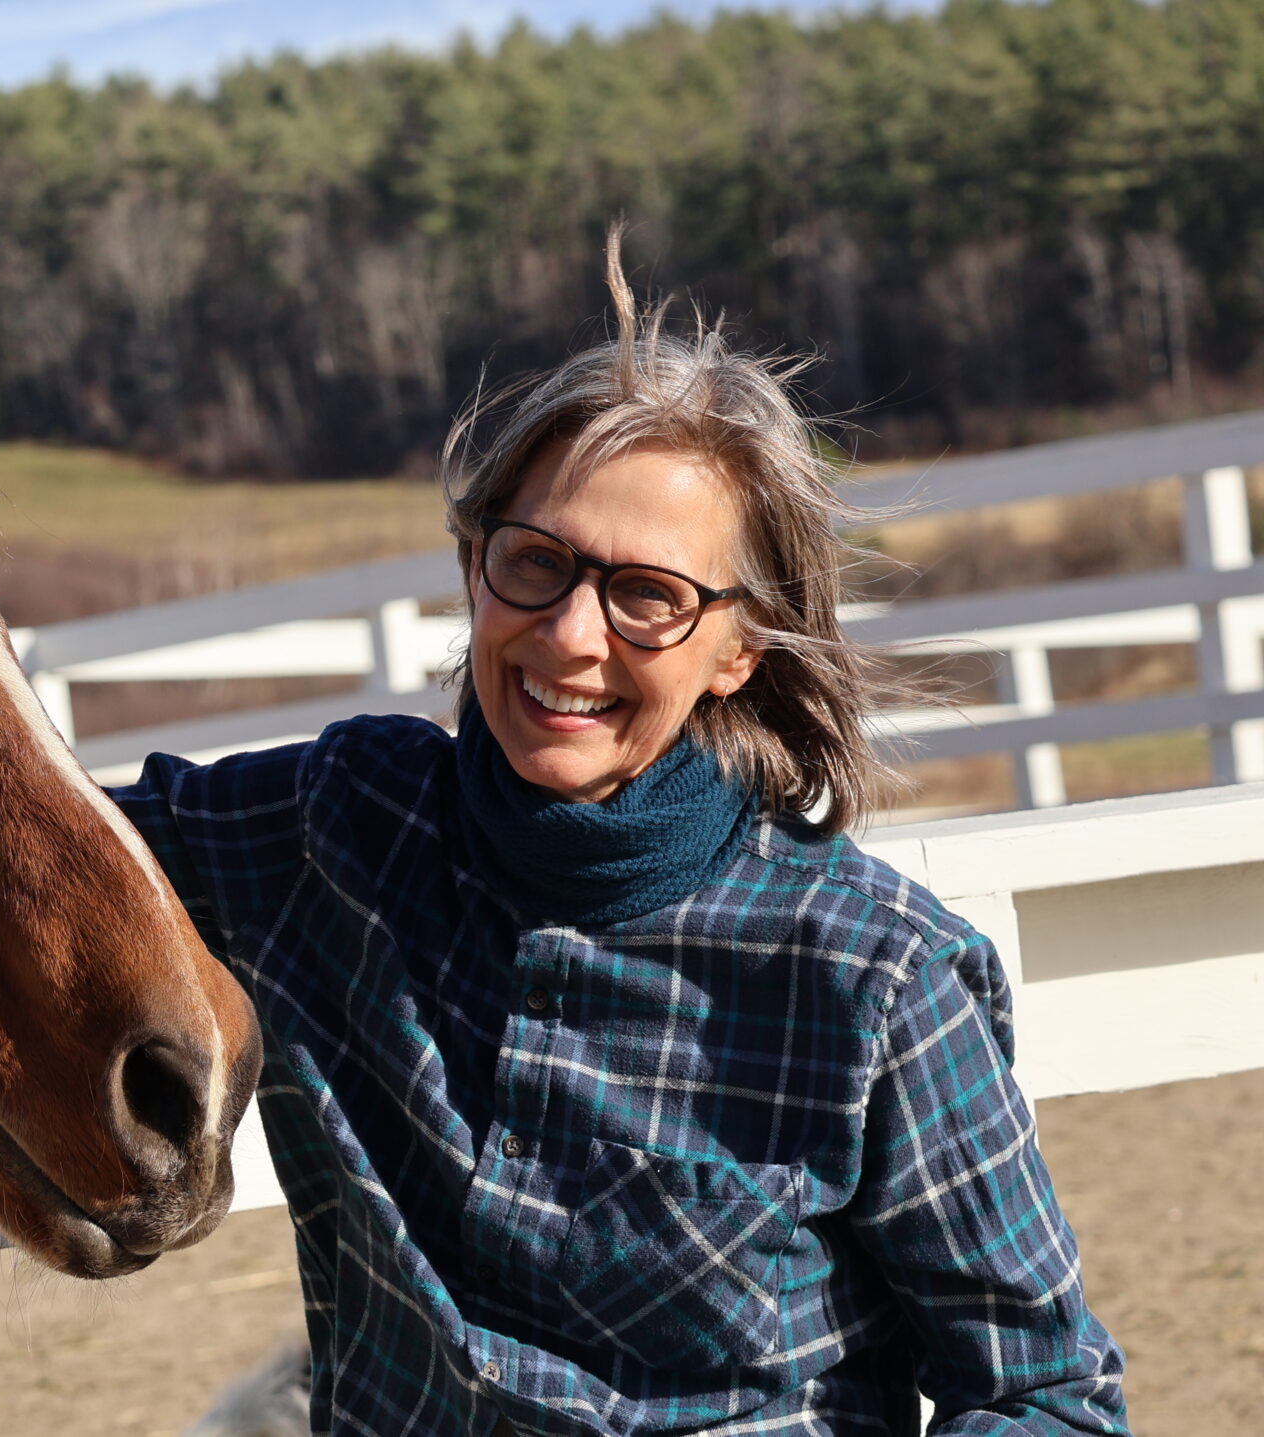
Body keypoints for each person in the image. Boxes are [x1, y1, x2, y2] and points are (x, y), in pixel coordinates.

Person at [113, 247, 1130, 1436]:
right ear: (472, 567)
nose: (570, 638)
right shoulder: (328, 831)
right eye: (535, 563)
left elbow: (1041, 1394)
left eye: (647, 594)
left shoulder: (874, 980)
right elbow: (11, 846)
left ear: (740, 648)